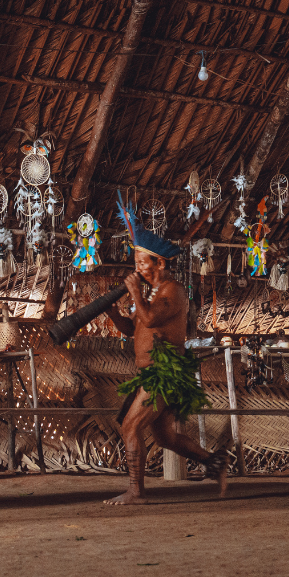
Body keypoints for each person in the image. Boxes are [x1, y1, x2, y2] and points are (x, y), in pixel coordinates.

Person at [101, 193, 227, 505]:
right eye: (136, 263)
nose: (137, 269)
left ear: (159, 262)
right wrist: (115, 314)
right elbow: (136, 328)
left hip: (165, 373)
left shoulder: (173, 291)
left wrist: (134, 293)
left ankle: (136, 492)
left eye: (141, 263)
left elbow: (150, 317)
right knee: (165, 437)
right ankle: (215, 462)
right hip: (153, 372)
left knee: (130, 427)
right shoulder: (153, 291)